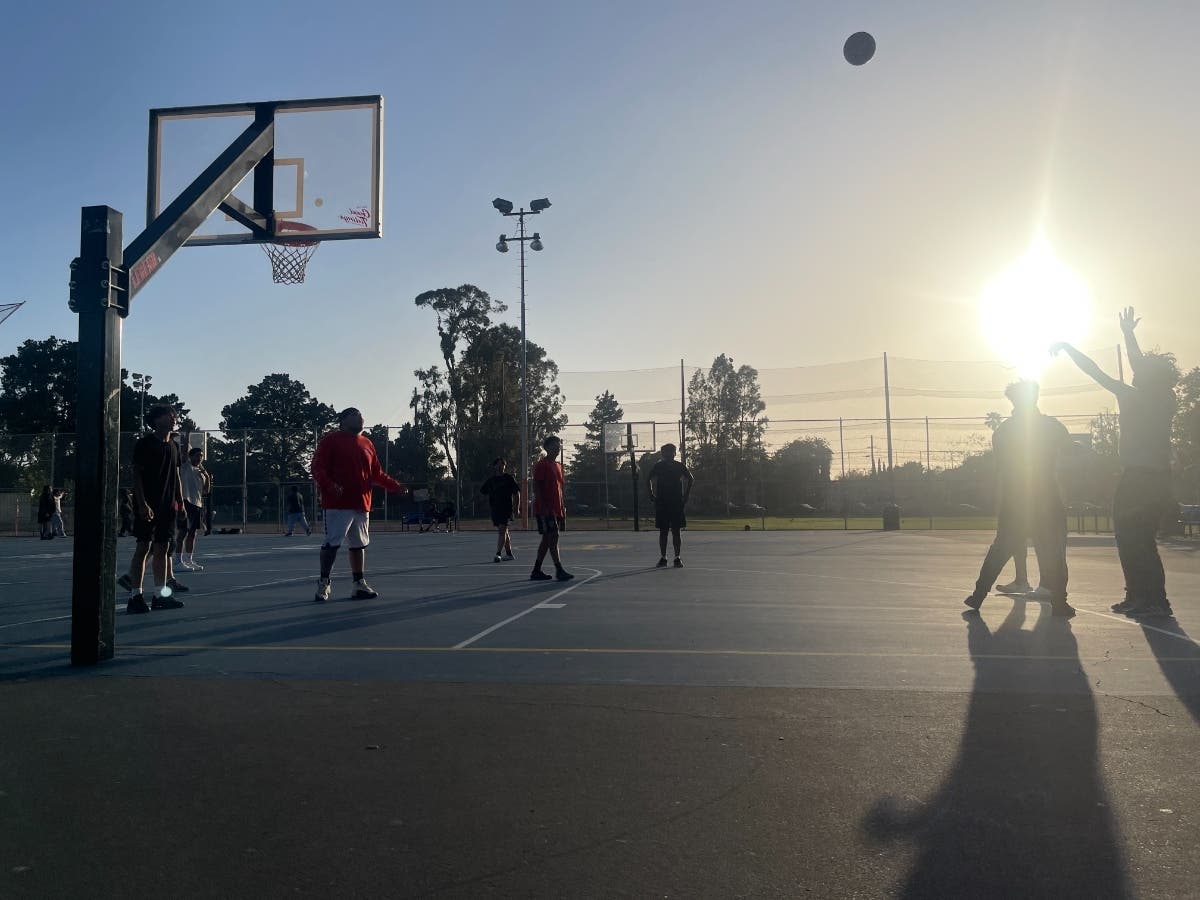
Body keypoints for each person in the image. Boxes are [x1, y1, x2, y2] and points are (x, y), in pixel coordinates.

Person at [1053, 307, 1178, 619]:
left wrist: (1069, 348)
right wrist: (1128, 334)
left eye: (1140, 370)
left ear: (1148, 377)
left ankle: (1150, 599)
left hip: (1138, 479)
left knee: (1133, 538)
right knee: (1140, 539)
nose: (1134, 371)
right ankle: (1143, 597)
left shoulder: (1133, 396)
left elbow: (1095, 371)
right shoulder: (1166, 399)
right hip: (1158, 478)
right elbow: (1139, 363)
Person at [964, 381, 1075, 618]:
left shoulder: (1003, 432)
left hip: (1015, 496)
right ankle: (1059, 602)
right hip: (1045, 495)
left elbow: (1001, 470)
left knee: (1001, 548)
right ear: (1035, 397)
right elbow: (1068, 456)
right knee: (1053, 550)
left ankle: (978, 595)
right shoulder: (1051, 426)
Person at [310, 407, 405, 602]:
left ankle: (359, 584)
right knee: (332, 543)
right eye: (354, 415)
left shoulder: (367, 443)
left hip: (361, 503)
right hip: (338, 504)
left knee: (358, 544)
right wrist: (329, 485)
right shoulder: (331, 440)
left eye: (360, 414)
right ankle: (324, 582)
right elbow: (317, 467)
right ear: (343, 421)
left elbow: (376, 473)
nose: (359, 417)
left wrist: (395, 486)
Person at [117, 405, 186, 613]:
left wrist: (180, 502)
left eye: (174, 415)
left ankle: (160, 595)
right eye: (168, 415)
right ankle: (135, 596)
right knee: (143, 547)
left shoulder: (174, 446)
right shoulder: (145, 444)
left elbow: (176, 476)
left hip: (168, 506)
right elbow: (137, 475)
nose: (173, 418)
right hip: (148, 504)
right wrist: (142, 503)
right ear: (156, 420)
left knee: (162, 548)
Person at [531, 435, 573, 582]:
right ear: (547, 448)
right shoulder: (542, 465)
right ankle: (559, 569)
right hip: (545, 509)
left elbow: (559, 490)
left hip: (555, 509)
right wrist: (543, 507)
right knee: (553, 537)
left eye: (559, 445)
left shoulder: (559, 466)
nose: (557, 448)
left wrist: (562, 510)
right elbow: (537, 486)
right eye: (555, 445)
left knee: (548, 539)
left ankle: (536, 570)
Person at [647, 443, 694, 568]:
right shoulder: (659, 466)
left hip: (676, 502)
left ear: (674, 453)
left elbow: (691, 479)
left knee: (676, 531)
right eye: (666, 452)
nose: (668, 454)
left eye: (671, 452)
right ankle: (663, 557)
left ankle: (677, 557)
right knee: (663, 531)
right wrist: (651, 493)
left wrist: (686, 495)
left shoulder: (679, 466)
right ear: (663, 454)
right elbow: (648, 479)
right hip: (662, 502)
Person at [481, 457, 520, 562]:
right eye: (498, 464)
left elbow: (517, 493)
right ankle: (509, 554)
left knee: (502, 530)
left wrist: (516, 508)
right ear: (495, 466)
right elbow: (483, 492)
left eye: (502, 464)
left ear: (504, 466)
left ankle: (498, 553)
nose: (501, 466)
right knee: (504, 531)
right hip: (495, 509)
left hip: (506, 509)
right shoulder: (491, 480)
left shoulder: (509, 478)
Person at [176, 446, 208, 569]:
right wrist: (187, 436)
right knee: (183, 532)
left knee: (193, 533)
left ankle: (189, 560)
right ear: (191, 456)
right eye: (197, 455)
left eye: (201, 456)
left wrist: (207, 476)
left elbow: (206, 491)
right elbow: (184, 449)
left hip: (197, 504)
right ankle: (178, 561)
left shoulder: (200, 472)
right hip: (186, 502)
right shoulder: (186, 467)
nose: (200, 458)